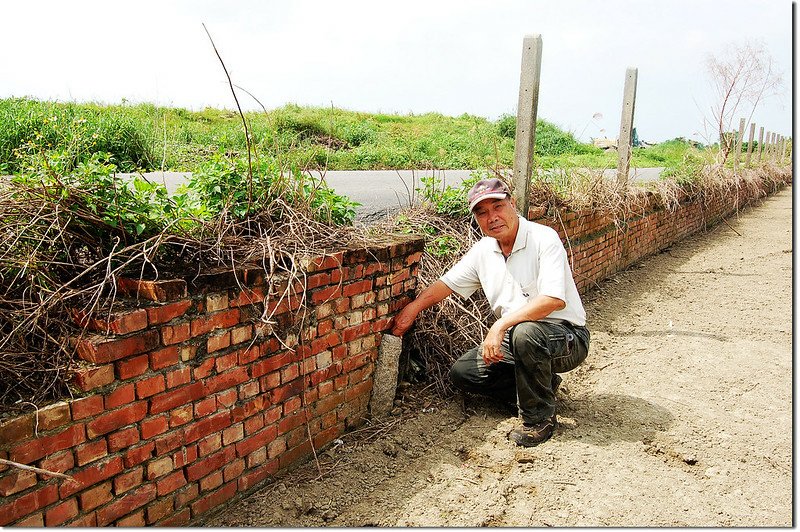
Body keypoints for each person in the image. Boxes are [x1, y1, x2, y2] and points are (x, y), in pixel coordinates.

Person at [391, 178, 590, 447]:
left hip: (566, 338)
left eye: (497, 206)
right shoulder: (484, 250)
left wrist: (499, 327)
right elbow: (446, 285)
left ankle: (539, 419)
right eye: (482, 212)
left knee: (525, 333)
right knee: (464, 372)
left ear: (513, 204)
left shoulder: (543, 238)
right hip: (519, 338)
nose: (492, 217)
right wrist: (412, 309)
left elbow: (552, 300)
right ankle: (540, 389)